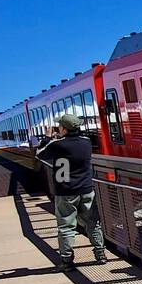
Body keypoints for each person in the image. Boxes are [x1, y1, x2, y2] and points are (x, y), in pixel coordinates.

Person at [36, 113, 107, 271]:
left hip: (65, 192)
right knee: (93, 222)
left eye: (59, 126)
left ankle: (67, 261)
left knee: (66, 226)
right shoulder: (86, 142)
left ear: (64, 128)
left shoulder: (57, 145)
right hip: (87, 189)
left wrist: (48, 138)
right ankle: (100, 254)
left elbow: (40, 154)